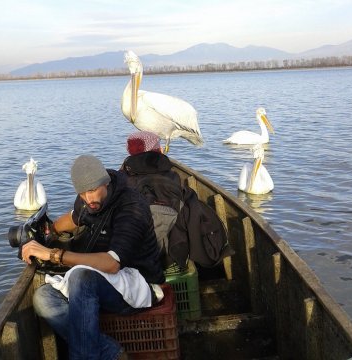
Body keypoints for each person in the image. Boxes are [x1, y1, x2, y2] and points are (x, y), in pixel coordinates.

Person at [21, 154, 165, 360]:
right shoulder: (88, 202)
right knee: (43, 297)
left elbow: (113, 264)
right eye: (81, 193)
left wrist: (54, 254)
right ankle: (112, 353)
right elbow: (73, 218)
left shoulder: (131, 207)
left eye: (92, 191)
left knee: (82, 279)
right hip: (105, 281)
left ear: (105, 182)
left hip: (139, 282)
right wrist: (48, 232)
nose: (88, 199)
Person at [120, 131, 231, 271]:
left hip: (126, 256)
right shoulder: (173, 179)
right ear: (159, 150)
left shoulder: (119, 182)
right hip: (168, 257)